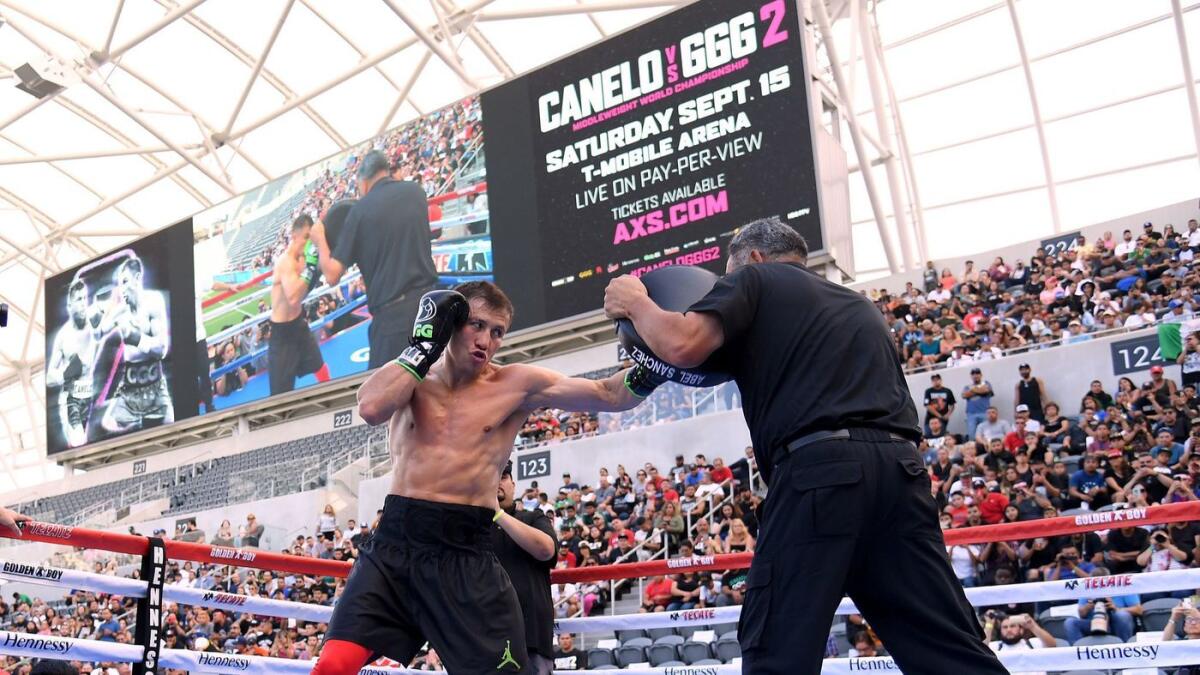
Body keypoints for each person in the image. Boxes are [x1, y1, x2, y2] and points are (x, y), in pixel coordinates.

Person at [603, 217, 1006, 673]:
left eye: (727, 274)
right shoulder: (859, 306)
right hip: (902, 475)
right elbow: (681, 367)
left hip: (822, 473)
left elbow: (682, 345)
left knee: (777, 645)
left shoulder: (754, 279)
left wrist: (637, 303)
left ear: (753, 257)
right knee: (946, 644)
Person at [312, 281, 658, 674]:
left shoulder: (516, 385)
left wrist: (656, 366)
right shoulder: (410, 377)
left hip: (466, 553)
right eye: (476, 325)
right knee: (333, 665)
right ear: (451, 323)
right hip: (395, 547)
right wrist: (423, 347)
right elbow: (371, 408)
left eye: (497, 332)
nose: (486, 340)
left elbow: (607, 395)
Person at [310, 150, 439, 369]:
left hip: (393, 322)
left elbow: (331, 275)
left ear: (363, 181)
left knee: (381, 398)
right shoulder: (416, 192)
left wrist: (320, 239)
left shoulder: (359, 213)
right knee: (435, 382)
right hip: (431, 307)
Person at [493, 461, 557, 675]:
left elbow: (546, 549)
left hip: (531, 637)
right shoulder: (472, 529)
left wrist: (498, 514)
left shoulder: (534, 517)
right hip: (484, 638)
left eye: (502, 476)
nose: (496, 482)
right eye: (490, 477)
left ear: (513, 484)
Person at [96, 257, 173, 433]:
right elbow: (98, 333)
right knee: (107, 425)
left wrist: (136, 339)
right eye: (119, 284)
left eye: (125, 282)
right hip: (129, 387)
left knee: (173, 429)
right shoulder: (119, 311)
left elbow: (162, 349)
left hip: (154, 383)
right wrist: (97, 312)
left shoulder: (153, 301)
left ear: (137, 278)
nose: (121, 289)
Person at [268, 215, 332, 395]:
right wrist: (311, 269)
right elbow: (294, 297)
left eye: (309, 237)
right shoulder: (285, 262)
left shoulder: (304, 259)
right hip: (282, 335)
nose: (307, 242)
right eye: (305, 237)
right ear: (294, 236)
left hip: (299, 324)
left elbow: (312, 284)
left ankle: (330, 398)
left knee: (320, 366)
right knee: (280, 395)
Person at [46, 278, 98, 447]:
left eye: (85, 298)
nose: (84, 303)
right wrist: (67, 373)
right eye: (79, 299)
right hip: (71, 400)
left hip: (91, 397)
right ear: (70, 305)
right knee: (78, 442)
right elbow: (49, 378)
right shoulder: (63, 336)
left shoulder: (95, 321)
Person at [984, 612, 1054, 675]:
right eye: (1005, 627)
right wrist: (989, 624)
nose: (1009, 630)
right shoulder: (996, 646)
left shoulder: (1032, 643)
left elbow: (1052, 645)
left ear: (1021, 630)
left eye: (1012, 626)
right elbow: (981, 648)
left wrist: (1032, 625)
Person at [962, 367, 994, 441]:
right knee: (972, 435)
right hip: (971, 414)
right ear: (971, 376)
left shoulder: (986, 383)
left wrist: (973, 390)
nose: (975, 375)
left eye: (977, 373)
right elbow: (964, 395)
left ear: (981, 375)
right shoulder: (967, 387)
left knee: (986, 434)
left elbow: (986, 390)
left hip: (984, 412)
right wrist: (979, 390)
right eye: (973, 374)